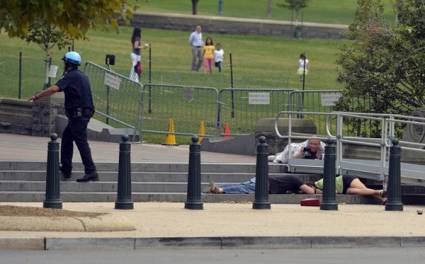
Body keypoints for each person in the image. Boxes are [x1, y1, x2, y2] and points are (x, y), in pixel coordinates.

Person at [29, 51, 98, 182]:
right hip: (82, 113)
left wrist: (38, 96)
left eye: (64, 62)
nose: (63, 64)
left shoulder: (70, 76)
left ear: (68, 64)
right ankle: (66, 168)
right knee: (67, 139)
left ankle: (91, 171)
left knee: (81, 142)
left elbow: (54, 89)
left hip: (78, 115)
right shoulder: (82, 76)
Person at [209, 175, 386, 203]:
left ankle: (222, 189)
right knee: (245, 189)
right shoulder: (297, 181)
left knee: (244, 187)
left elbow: (309, 191)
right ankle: (222, 190)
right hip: (265, 182)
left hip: (346, 181)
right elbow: (309, 192)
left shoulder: (296, 181)